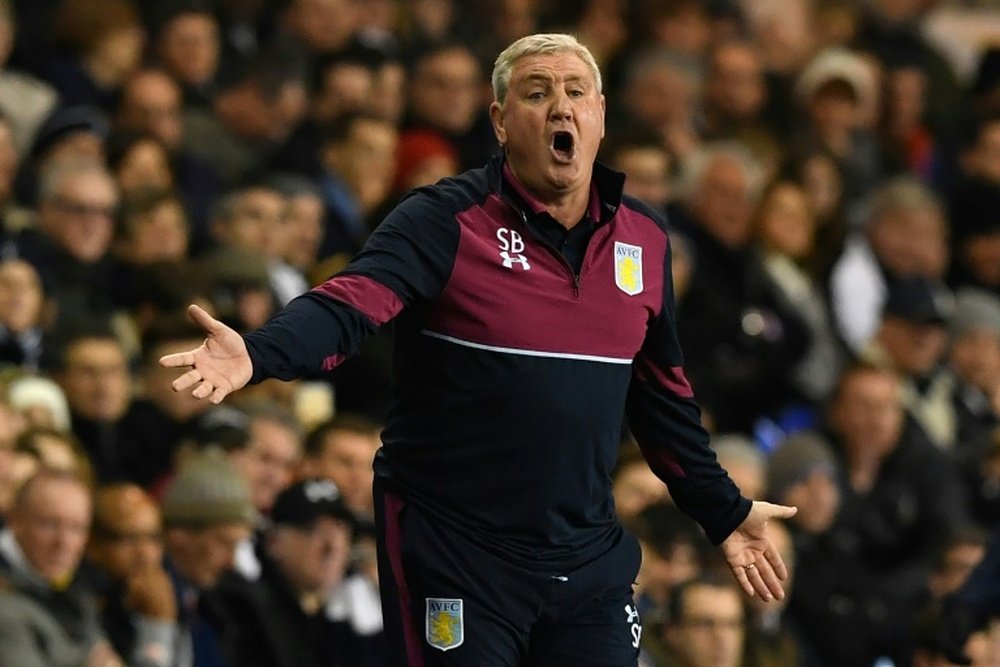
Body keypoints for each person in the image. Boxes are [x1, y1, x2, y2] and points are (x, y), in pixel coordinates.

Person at [162, 33, 795, 666]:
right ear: (499, 121)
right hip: (455, 551)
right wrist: (259, 352)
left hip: (585, 560)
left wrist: (724, 510)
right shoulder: (444, 220)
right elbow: (348, 306)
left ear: (600, 112)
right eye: (537, 93)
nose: (561, 108)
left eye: (576, 92)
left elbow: (663, 403)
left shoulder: (645, 240)